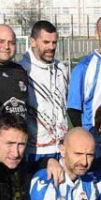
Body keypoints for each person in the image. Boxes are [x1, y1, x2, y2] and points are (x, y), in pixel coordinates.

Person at [18, 20, 69, 171]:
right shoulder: (22, 71)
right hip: (34, 151)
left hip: (61, 148)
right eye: (46, 42)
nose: (51, 47)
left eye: (54, 42)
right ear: (33, 41)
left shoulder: (61, 69)